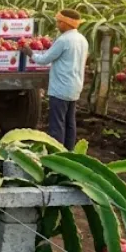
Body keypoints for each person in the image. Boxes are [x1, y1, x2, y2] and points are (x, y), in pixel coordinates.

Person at [21, 9, 88, 148]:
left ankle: (56, 152)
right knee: (70, 122)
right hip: (74, 86)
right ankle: (69, 152)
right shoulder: (82, 39)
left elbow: (44, 59)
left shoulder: (63, 40)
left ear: (66, 24)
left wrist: (30, 53)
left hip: (61, 88)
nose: (57, 24)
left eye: (59, 22)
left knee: (57, 124)